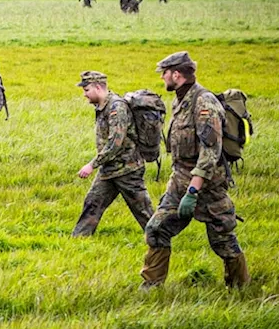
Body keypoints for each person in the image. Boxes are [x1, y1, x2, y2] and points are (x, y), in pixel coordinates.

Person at [141, 52, 249, 289]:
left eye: (164, 74)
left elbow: (210, 152)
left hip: (207, 185)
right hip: (179, 180)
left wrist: (193, 191)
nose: (162, 78)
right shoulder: (180, 100)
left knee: (222, 239)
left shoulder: (204, 103)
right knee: (157, 228)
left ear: (176, 74)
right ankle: (151, 287)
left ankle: (240, 287)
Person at [72, 71, 153, 237]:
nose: (84, 95)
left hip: (127, 170)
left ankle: (159, 241)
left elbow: (115, 144)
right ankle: (78, 240)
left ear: (98, 87)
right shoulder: (102, 106)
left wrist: (91, 165)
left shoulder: (117, 108)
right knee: (92, 203)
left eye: (86, 90)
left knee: (143, 211)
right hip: (109, 169)